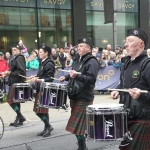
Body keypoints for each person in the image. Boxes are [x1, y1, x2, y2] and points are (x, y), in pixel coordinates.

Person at [111, 28, 150, 150]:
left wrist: (142, 95)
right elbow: (124, 84)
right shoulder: (127, 64)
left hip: (142, 118)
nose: (125, 44)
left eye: (130, 41)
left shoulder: (147, 65)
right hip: (127, 115)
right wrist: (118, 89)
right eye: (126, 41)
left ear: (141, 44)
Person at [59, 37, 100, 150]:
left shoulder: (92, 61)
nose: (78, 48)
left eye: (81, 46)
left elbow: (91, 79)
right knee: (78, 126)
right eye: (78, 46)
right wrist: (66, 77)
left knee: (76, 126)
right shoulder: (78, 59)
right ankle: (82, 143)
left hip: (84, 97)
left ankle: (82, 146)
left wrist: (76, 75)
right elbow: (74, 72)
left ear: (88, 48)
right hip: (74, 95)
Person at [29, 44, 55, 137]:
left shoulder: (49, 63)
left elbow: (50, 78)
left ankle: (48, 126)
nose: (39, 54)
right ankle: (46, 128)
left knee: (38, 111)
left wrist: (38, 80)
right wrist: (35, 77)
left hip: (45, 89)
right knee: (42, 111)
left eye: (40, 52)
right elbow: (41, 75)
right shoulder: (42, 62)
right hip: (41, 88)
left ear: (46, 53)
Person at [2, 44, 26, 127]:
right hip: (15, 82)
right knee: (16, 102)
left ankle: (20, 116)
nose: (13, 51)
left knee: (11, 102)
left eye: (15, 50)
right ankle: (19, 118)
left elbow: (21, 71)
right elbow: (13, 70)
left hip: (17, 82)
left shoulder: (19, 57)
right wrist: (7, 73)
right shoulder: (14, 58)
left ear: (19, 50)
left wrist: (10, 73)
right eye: (12, 50)